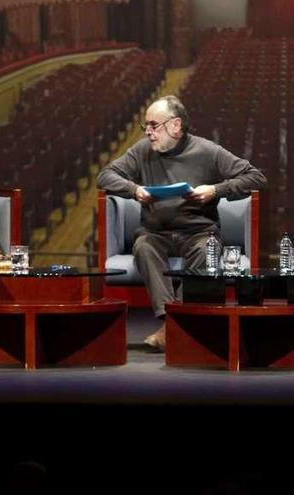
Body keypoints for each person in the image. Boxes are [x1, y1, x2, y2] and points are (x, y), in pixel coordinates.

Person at [97, 95, 267, 352]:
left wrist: (215, 190)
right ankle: (175, 321)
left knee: (206, 249)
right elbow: (105, 176)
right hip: (156, 233)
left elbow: (256, 178)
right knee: (143, 247)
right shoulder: (142, 151)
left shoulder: (207, 151)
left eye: (154, 125)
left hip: (199, 232)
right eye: (146, 127)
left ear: (175, 125)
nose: (149, 133)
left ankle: (171, 328)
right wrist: (134, 190)